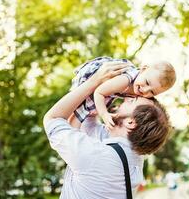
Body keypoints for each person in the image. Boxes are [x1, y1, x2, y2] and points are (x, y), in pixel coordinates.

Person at [43, 62, 172, 198]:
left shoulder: (96, 155)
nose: (127, 98)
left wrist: (94, 81)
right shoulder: (134, 156)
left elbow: (52, 119)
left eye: (132, 101)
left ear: (131, 122)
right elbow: (88, 122)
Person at [70, 56, 176, 130]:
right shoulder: (125, 80)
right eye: (147, 82)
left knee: (93, 110)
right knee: (80, 113)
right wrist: (104, 114)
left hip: (108, 88)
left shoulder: (139, 89)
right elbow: (99, 93)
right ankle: (69, 137)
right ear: (143, 69)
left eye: (152, 92)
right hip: (94, 78)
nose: (145, 90)